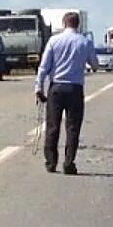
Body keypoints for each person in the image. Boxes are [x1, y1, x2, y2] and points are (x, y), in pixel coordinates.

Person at [34, 11, 98, 175]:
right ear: (78, 24)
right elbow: (95, 64)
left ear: (64, 24)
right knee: (73, 127)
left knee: (52, 126)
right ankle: (69, 163)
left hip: (56, 87)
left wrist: (39, 87)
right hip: (75, 88)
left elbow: (43, 67)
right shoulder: (85, 42)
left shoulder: (54, 41)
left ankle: (51, 162)